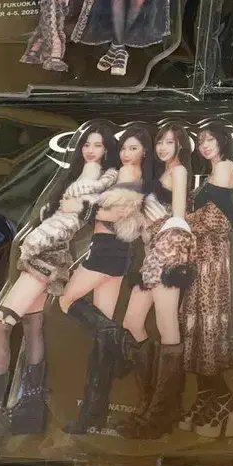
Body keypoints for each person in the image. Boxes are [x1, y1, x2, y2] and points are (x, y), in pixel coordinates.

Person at [0, 123, 118, 450]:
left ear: (107, 150)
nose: (90, 150)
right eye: (87, 144)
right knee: (32, 325)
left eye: (98, 145)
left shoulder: (95, 178)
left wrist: (43, 235)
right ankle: (30, 407)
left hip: (45, 256)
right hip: (50, 255)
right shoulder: (86, 176)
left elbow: (71, 220)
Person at [57, 125, 156, 435]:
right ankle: (92, 415)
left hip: (107, 251)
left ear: (145, 152)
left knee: (66, 299)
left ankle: (120, 339)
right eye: (124, 148)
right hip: (115, 252)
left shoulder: (129, 175)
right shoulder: (132, 175)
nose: (126, 154)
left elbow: (117, 214)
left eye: (133, 148)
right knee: (101, 335)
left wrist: (89, 208)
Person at [117, 123, 194, 440]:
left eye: (170, 142)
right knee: (132, 321)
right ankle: (150, 403)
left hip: (169, 247)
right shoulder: (155, 176)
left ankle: (161, 413)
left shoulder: (179, 172)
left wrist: (168, 255)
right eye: (160, 141)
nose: (163, 147)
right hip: (151, 252)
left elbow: (178, 215)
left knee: (166, 324)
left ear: (180, 146)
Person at [178, 122, 233, 439]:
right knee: (198, 327)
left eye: (210, 140)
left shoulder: (225, 167)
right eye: (201, 140)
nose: (204, 145)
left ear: (222, 142)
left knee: (208, 327)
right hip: (199, 257)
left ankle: (228, 404)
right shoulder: (211, 173)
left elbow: (215, 222)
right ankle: (207, 399)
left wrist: (177, 219)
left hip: (212, 260)